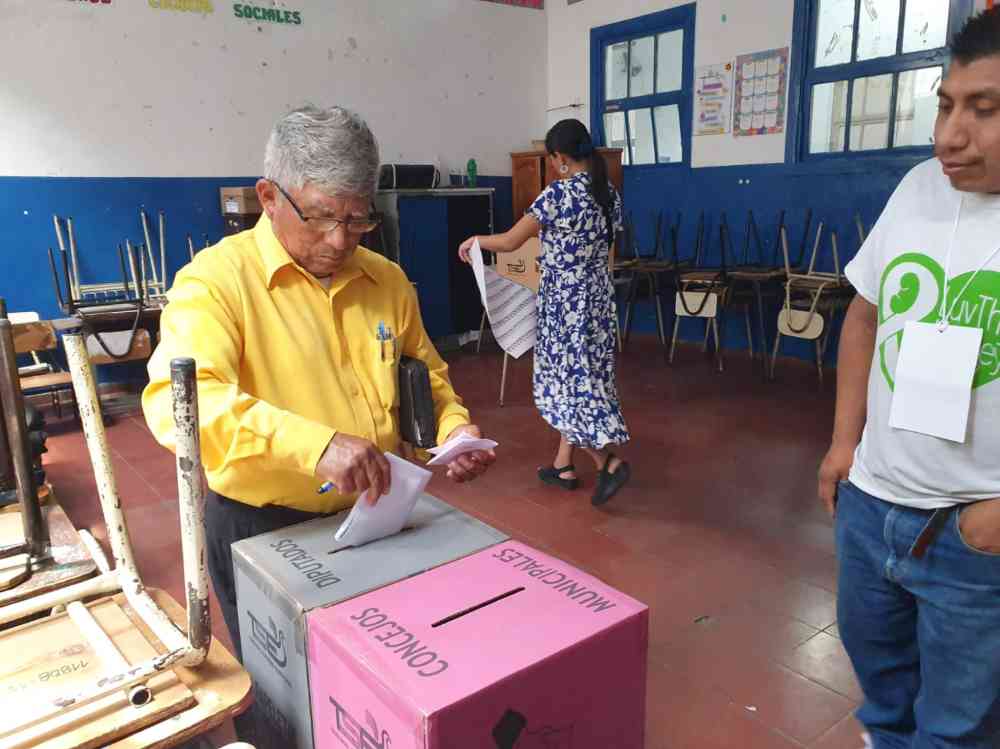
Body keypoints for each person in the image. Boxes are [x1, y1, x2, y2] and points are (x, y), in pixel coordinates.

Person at [142, 105, 495, 659]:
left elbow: (424, 374)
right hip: (262, 527)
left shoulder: (387, 280)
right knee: (285, 694)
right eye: (321, 217)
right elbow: (182, 403)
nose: (338, 240)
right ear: (268, 197)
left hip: (380, 513)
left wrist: (450, 432)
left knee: (378, 672)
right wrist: (316, 446)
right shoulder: (214, 284)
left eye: (358, 220)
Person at [817, 9, 1000, 748]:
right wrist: (843, 447)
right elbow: (863, 316)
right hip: (872, 507)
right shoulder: (920, 186)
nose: (948, 136)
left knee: (959, 726)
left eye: (984, 110)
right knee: (883, 695)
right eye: (945, 104)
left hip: (971, 533)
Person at [459, 119, 630, 506]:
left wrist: (475, 241)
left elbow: (509, 241)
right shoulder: (609, 195)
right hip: (598, 301)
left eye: (552, 159)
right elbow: (608, 250)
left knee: (559, 387)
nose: (552, 166)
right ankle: (563, 466)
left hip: (564, 305)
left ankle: (608, 463)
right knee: (583, 381)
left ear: (560, 157)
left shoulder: (558, 196)